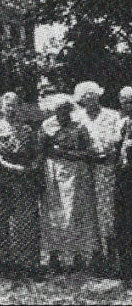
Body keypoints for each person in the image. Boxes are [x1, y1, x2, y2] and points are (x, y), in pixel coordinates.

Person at [41, 97, 98, 272]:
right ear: (54, 111)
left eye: (66, 111)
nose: (62, 115)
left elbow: (89, 151)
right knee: (53, 213)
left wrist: (68, 153)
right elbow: (40, 150)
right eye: (58, 111)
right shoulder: (47, 126)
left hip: (74, 172)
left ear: (70, 111)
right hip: (52, 172)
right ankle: (54, 256)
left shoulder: (79, 127)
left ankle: (77, 255)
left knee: (73, 212)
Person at [0, 91, 43, 277]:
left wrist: (32, 167)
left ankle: (27, 263)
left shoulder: (27, 130)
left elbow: (37, 154)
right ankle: (4, 262)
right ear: (1, 108)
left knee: (25, 223)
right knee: (0, 222)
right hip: (2, 181)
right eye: (7, 105)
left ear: (19, 107)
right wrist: (12, 167)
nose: (11, 109)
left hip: (24, 182)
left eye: (14, 105)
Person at [74, 81, 122, 272]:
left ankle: (111, 253)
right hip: (84, 168)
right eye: (86, 96)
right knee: (87, 209)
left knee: (106, 209)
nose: (90, 99)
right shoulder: (77, 117)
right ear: (81, 99)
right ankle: (93, 254)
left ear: (98, 96)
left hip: (105, 167)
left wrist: (109, 153)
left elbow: (118, 140)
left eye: (93, 95)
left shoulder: (112, 115)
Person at [115, 88, 132, 282]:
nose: (128, 105)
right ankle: (125, 267)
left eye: (131, 102)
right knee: (123, 220)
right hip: (123, 175)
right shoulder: (119, 120)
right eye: (125, 101)